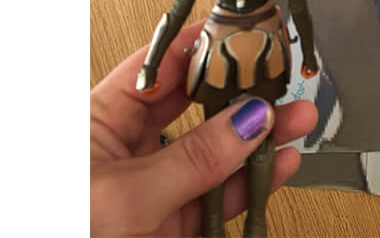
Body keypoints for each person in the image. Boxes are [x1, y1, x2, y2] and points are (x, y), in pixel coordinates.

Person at [90, 21, 318, 237]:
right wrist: (150, 65)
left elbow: (177, 14)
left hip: (253, 49)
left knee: (262, 145)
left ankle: (250, 221)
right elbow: (177, 12)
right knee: (257, 142)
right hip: (223, 51)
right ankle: (219, 222)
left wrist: (151, 65)